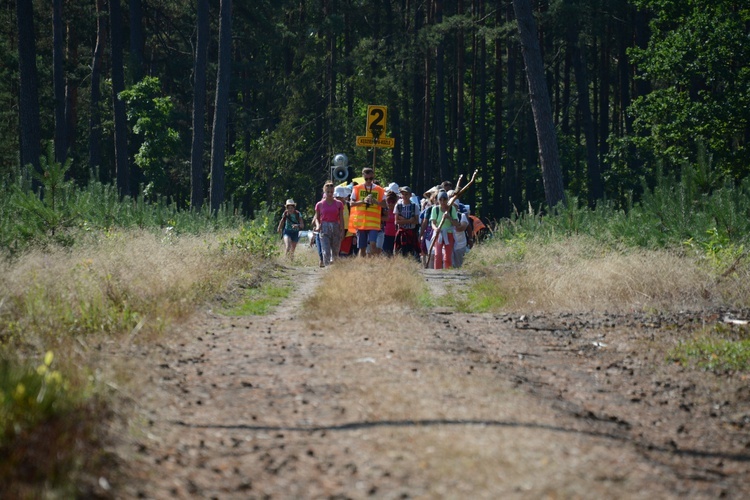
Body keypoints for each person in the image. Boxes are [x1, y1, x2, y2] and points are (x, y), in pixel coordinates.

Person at [348, 167, 386, 257]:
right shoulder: (357, 188)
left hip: (373, 223)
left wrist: (376, 202)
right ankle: (363, 266)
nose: (368, 181)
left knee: (373, 244)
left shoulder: (379, 189)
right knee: (362, 248)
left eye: (371, 178)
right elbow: (351, 204)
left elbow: (384, 205)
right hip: (361, 223)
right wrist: (363, 201)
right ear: (363, 177)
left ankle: (374, 263)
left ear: (373, 177)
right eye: (366, 179)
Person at [315, 181, 345, 267]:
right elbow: (317, 218)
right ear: (325, 192)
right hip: (324, 227)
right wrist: (317, 226)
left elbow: (341, 218)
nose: (330, 194)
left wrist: (342, 230)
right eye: (328, 192)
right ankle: (327, 269)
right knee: (326, 250)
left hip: (335, 226)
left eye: (331, 192)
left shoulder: (339, 204)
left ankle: (334, 270)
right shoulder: (319, 204)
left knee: (335, 251)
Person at [430, 190, 461, 269]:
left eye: (444, 199)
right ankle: (437, 272)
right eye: (440, 199)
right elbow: (433, 223)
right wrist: (436, 229)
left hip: (449, 233)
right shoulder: (435, 209)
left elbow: (456, 224)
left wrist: (449, 218)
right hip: (439, 233)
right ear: (438, 200)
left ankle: (448, 271)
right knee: (438, 254)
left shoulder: (451, 209)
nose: (442, 202)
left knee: (448, 254)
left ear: (447, 200)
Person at [394, 186, 420, 259]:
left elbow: (416, 221)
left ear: (410, 195)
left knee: (412, 252)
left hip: (411, 232)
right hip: (402, 232)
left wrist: (402, 220)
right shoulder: (398, 206)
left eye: (406, 194)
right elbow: (396, 221)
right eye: (403, 194)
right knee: (400, 252)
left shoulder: (415, 206)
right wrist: (409, 221)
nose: (404, 196)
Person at [382, 191, 399, 256]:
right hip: (385, 236)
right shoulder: (384, 211)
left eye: (393, 202)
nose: (391, 204)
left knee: (395, 254)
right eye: (389, 202)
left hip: (396, 236)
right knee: (386, 254)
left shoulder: (398, 211)